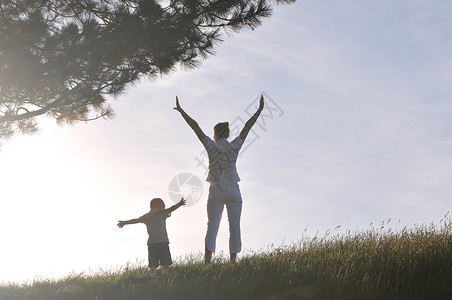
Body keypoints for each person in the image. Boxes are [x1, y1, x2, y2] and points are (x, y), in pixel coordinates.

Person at [174, 95, 264, 263]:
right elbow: (247, 127)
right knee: (234, 226)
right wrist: (259, 110)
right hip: (234, 192)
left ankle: (207, 263)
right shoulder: (235, 146)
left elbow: (195, 127)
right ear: (228, 134)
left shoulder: (211, 146)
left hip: (217, 190)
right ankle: (232, 262)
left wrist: (181, 111)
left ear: (215, 134)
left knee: (212, 226)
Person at [117, 197, 186, 276]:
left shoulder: (147, 216)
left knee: (152, 261)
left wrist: (124, 222)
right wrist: (179, 204)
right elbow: (171, 209)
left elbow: (136, 220)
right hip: (162, 241)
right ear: (160, 205)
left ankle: (152, 275)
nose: (164, 206)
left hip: (152, 242)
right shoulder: (161, 212)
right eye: (163, 205)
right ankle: (166, 274)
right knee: (165, 260)